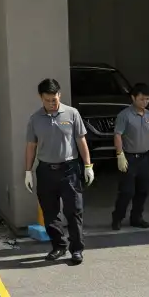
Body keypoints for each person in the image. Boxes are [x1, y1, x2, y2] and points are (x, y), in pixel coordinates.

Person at [24, 78, 94, 266]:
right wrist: (28, 171)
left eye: (54, 99)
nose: (51, 104)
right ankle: (58, 246)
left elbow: (81, 140)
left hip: (69, 170)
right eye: (47, 100)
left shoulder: (72, 114)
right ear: (41, 98)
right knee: (50, 212)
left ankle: (76, 249)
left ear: (59, 95)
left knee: (74, 211)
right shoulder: (35, 119)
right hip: (46, 171)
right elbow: (31, 145)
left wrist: (88, 165)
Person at [112, 83, 149, 230]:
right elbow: (118, 135)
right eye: (142, 99)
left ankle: (136, 218)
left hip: (144, 158)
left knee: (143, 189)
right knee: (127, 191)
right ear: (133, 98)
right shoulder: (124, 115)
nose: (145, 102)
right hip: (129, 157)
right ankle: (117, 217)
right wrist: (120, 155)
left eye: (147, 99)